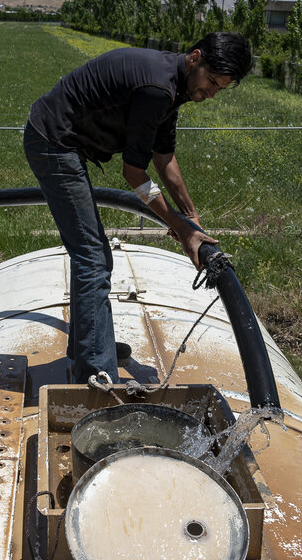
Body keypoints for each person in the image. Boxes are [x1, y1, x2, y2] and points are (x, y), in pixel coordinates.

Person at [24, 31, 253, 384]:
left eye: (221, 88)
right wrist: (180, 228)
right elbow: (134, 175)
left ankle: (90, 346)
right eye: (212, 81)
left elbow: (164, 157)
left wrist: (191, 219)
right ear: (195, 58)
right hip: (53, 140)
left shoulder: (174, 87)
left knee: (94, 254)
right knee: (93, 255)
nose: (211, 93)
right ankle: (95, 371)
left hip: (68, 141)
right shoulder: (157, 89)